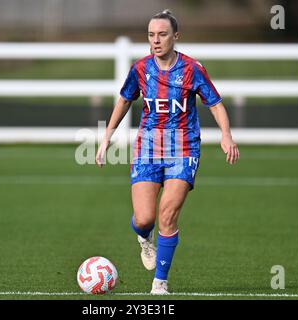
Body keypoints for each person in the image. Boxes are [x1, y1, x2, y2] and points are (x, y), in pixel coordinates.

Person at [95, 9, 240, 294]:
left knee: (168, 213)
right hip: (149, 148)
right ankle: (143, 235)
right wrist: (106, 137)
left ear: (176, 36)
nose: (156, 40)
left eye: (162, 34)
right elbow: (124, 100)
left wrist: (226, 135)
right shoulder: (140, 69)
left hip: (183, 148)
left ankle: (160, 283)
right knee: (144, 218)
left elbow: (216, 103)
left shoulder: (191, 69)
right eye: (151, 35)